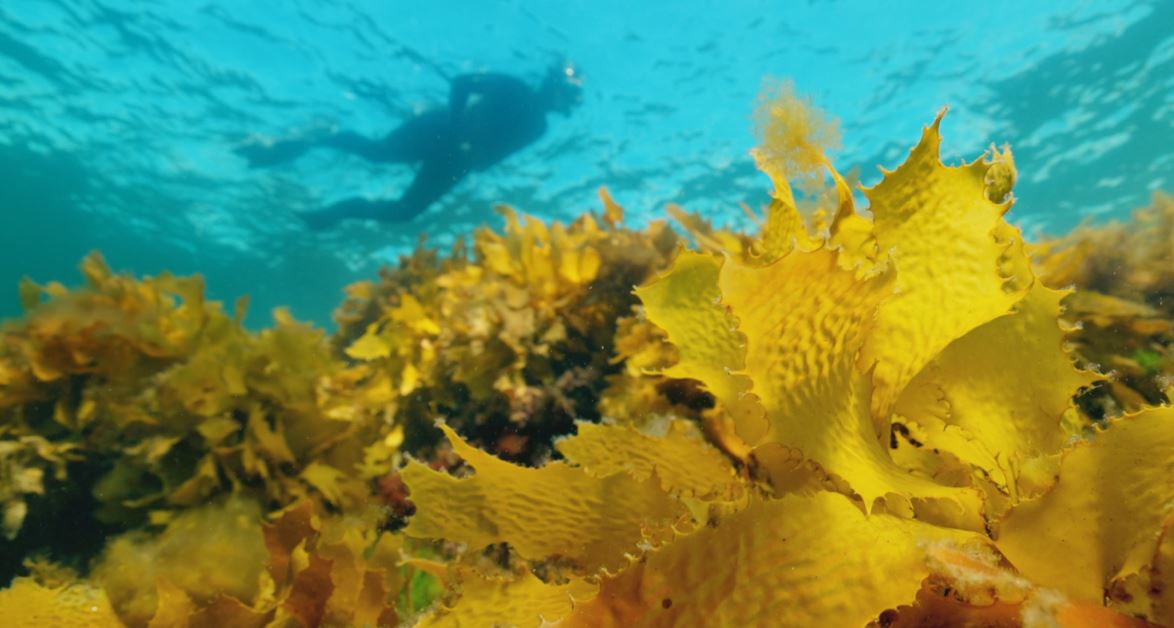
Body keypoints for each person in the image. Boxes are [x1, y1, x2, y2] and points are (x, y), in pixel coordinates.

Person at [236, 63, 583, 230]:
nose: (571, 101)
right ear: (553, 86)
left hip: (456, 162)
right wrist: (459, 127)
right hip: (441, 130)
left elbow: (494, 156)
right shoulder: (515, 88)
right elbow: (462, 83)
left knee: (405, 211)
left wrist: (471, 159)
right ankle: (317, 136)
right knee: (378, 153)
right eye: (570, 92)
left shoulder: (539, 127)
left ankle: (332, 215)